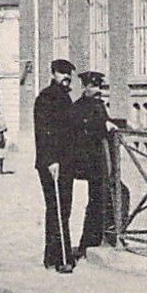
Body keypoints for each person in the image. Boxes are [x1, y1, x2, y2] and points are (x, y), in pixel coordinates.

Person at [33, 58, 79, 272]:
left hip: (65, 163)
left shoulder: (66, 98)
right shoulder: (46, 98)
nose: (66, 76)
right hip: (51, 164)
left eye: (68, 73)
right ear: (52, 73)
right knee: (58, 208)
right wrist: (51, 160)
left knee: (62, 209)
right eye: (61, 72)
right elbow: (43, 132)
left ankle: (51, 256)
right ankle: (62, 258)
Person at [72, 71, 114, 260]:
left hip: (98, 162)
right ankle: (91, 241)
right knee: (98, 200)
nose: (97, 91)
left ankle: (94, 239)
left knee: (99, 200)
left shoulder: (94, 105)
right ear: (85, 87)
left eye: (99, 87)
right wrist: (104, 126)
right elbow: (87, 130)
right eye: (93, 87)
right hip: (90, 163)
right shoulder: (82, 107)